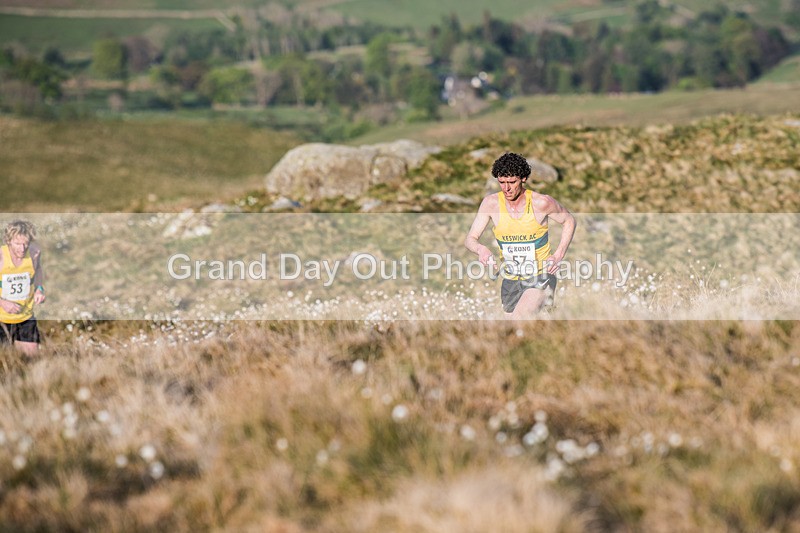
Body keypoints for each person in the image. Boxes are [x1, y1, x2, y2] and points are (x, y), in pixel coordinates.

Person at [465, 152, 576, 318]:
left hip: (540, 276)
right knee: (513, 334)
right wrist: (480, 249)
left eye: (511, 182)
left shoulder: (541, 203)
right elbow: (470, 239)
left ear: (523, 178)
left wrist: (558, 255)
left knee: (519, 319)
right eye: (502, 182)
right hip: (510, 280)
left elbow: (569, 221)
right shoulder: (491, 204)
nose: (507, 188)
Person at [0, 220, 46, 355]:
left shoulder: (34, 253)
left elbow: (38, 271)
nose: (22, 248)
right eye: (17, 244)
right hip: (1, 319)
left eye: (26, 243)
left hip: (25, 317)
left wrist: (39, 289)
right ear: (8, 241)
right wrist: (3, 303)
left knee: (31, 359)